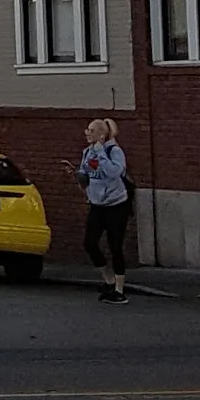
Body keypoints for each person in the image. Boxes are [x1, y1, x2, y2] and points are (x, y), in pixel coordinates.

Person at [77, 117, 132, 303]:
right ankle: (108, 279)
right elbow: (86, 176)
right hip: (97, 205)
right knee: (89, 243)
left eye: (91, 130)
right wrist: (78, 177)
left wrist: (101, 152)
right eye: (87, 130)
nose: (87, 133)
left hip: (116, 205)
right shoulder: (87, 153)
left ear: (101, 135)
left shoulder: (113, 151)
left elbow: (114, 173)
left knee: (115, 246)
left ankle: (119, 289)